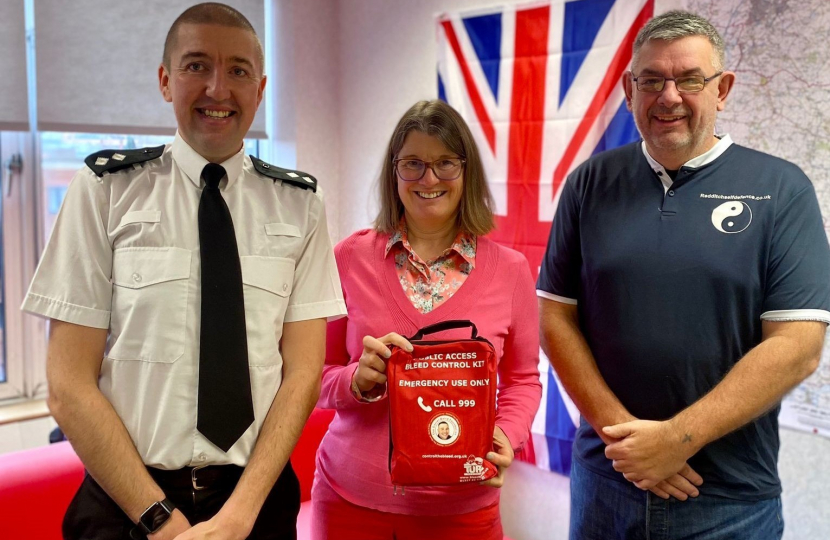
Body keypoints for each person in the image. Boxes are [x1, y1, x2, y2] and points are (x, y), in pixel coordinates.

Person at [22, 3, 345, 539]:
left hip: (255, 502)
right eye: (197, 66)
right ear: (165, 81)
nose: (218, 88)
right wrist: (160, 521)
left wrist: (239, 516)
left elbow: (303, 377)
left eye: (238, 70)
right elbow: (68, 385)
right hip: (126, 505)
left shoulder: (300, 205)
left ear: (260, 89)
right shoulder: (105, 192)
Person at [537, 10, 830, 540]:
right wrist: (629, 445)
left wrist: (677, 439)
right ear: (630, 89)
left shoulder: (781, 190)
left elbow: (798, 345)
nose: (668, 96)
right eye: (652, 80)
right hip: (606, 484)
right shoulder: (589, 184)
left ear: (723, 89)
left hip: (727, 501)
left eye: (690, 79)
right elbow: (556, 316)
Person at [311, 100, 542, 540]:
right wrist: (356, 383)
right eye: (413, 164)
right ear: (394, 172)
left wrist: (504, 438)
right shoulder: (348, 258)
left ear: (466, 171)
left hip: (461, 511)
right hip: (348, 502)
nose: (429, 179)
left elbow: (523, 380)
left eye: (444, 164)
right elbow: (311, 375)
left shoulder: (511, 270)